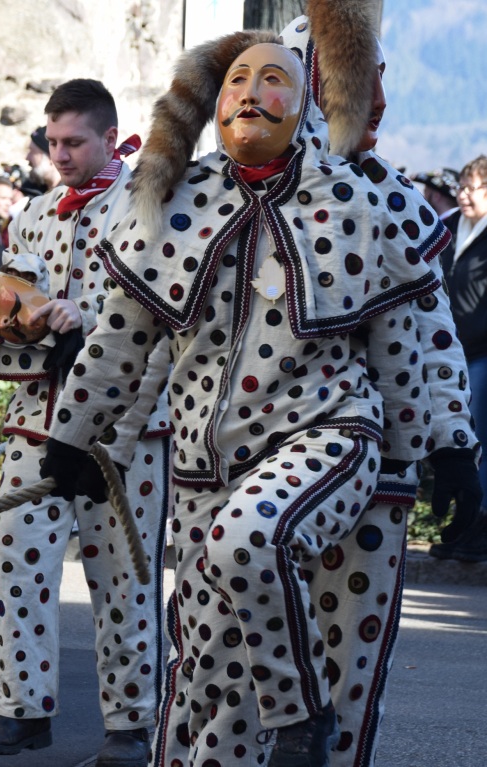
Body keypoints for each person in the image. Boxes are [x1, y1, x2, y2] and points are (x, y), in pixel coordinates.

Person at [41, 38, 463, 767]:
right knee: (208, 675)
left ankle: (304, 720)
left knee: (339, 675)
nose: (248, 94)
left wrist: (443, 446)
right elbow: (124, 341)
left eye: (272, 80)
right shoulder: (180, 200)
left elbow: (416, 338)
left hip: (342, 458)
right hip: (211, 471)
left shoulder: (364, 197)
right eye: (237, 79)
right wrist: (76, 436)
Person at [278, 6, 480, 764]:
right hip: (242, 475)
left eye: (381, 80)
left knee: (351, 679)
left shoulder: (393, 198)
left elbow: (434, 338)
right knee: (223, 668)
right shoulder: (225, 200)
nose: (381, 103)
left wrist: (451, 445)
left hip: (377, 476)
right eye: (359, 83)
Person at [0, 79, 166, 767]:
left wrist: (90, 323)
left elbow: (165, 314)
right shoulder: (31, 217)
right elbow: (5, 312)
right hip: (36, 418)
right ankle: (22, 711)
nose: (60, 154)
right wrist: (22, 315)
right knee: (13, 563)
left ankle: (131, 723)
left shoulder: (151, 204)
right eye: (53, 142)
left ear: (109, 136)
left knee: (122, 575)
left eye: (74, 142)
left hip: (125, 423)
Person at [433, 153, 487, 563]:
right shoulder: (447, 225)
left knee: (478, 435)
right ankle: (458, 527)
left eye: (476, 187)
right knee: (451, 436)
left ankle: (478, 526)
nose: (465, 194)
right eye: (464, 186)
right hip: (443, 349)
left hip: (482, 353)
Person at [25, 125, 60, 193]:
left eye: (32, 152)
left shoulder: (68, 196)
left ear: (51, 158)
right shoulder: (30, 191)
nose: (27, 157)